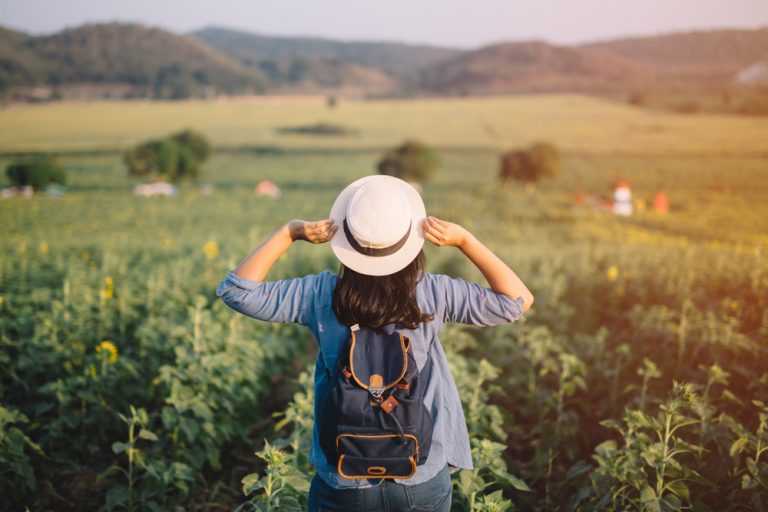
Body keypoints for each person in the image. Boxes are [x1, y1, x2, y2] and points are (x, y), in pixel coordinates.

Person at [216, 175, 533, 512]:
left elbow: (236, 291)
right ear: (410, 238)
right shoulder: (433, 293)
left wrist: (289, 233)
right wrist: (465, 240)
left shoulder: (319, 294)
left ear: (346, 240)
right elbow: (517, 300)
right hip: (420, 472)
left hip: (343, 476)